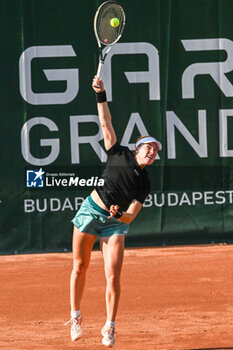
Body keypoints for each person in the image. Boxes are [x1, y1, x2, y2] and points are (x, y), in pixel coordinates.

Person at [66, 76, 162, 348]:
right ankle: (75, 317)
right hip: (90, 211)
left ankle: (109, 327)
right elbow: (105, 122)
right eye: (148, 147)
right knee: (79, 266)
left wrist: (118, 215)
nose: (152, 152)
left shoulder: (144, 183)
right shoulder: (117, 152)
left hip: (114, 224)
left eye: (156, 150)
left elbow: (131, 215)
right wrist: (101, 93)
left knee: (113, 275)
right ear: (137, 147)